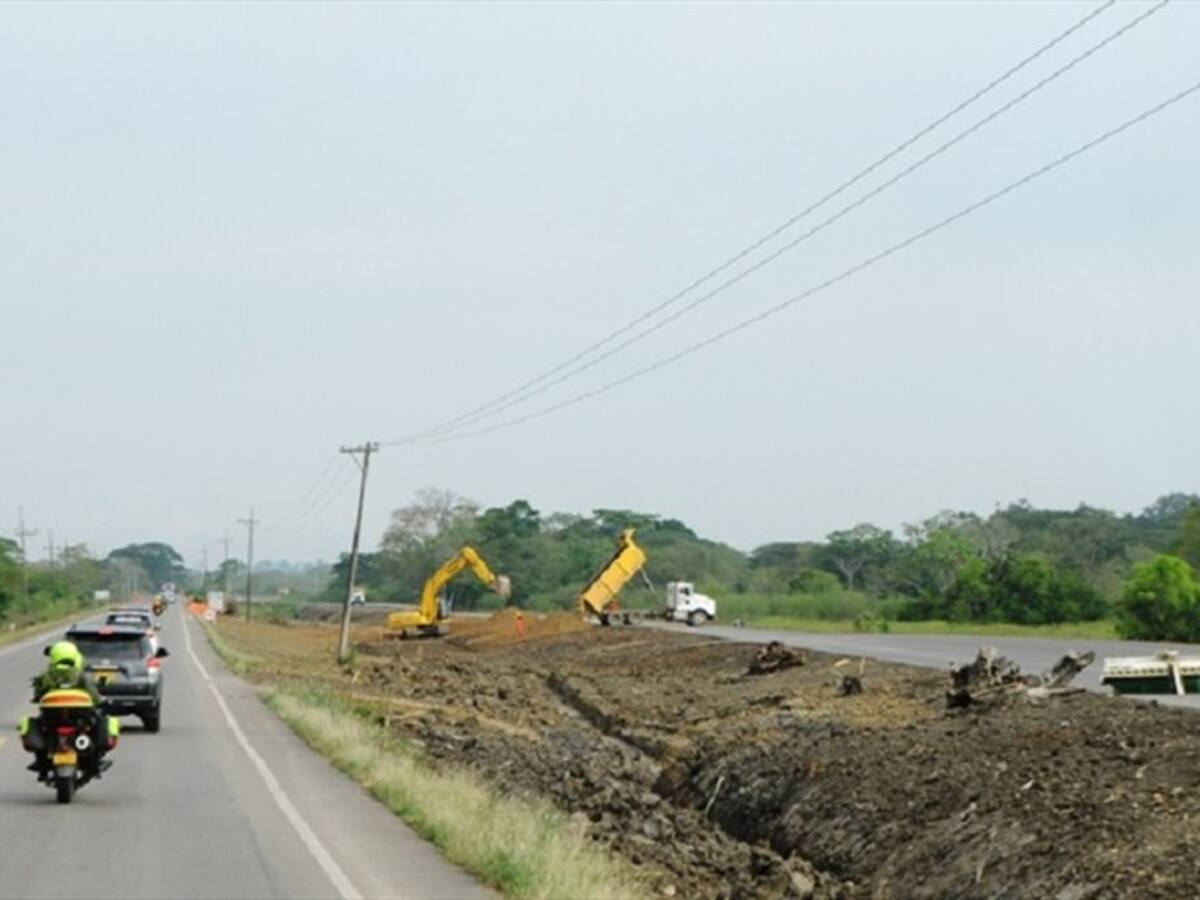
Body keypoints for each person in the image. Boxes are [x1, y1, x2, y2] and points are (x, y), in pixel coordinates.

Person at [26, 641, 107, 781]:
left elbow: (39, 693)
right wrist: (98, 701)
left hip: (52, 715)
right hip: (80, 714)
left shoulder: (47, 675)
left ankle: (42, 765)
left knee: (39, 727)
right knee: (98, 724)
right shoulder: (79, 674)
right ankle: (94, 764)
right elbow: (93, 694)